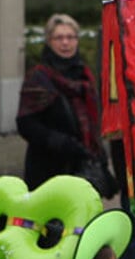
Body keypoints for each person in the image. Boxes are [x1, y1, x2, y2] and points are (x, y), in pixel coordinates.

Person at [17, 14, 107, 192]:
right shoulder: (39, 77)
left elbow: (93, 121)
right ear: (49, 41)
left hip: (81, 168)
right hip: (47, 170)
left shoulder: (84, 75)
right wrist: (59, 142)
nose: (65, 43)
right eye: (59, 38)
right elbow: (25, 123)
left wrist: (100, 160)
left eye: (70, 37)